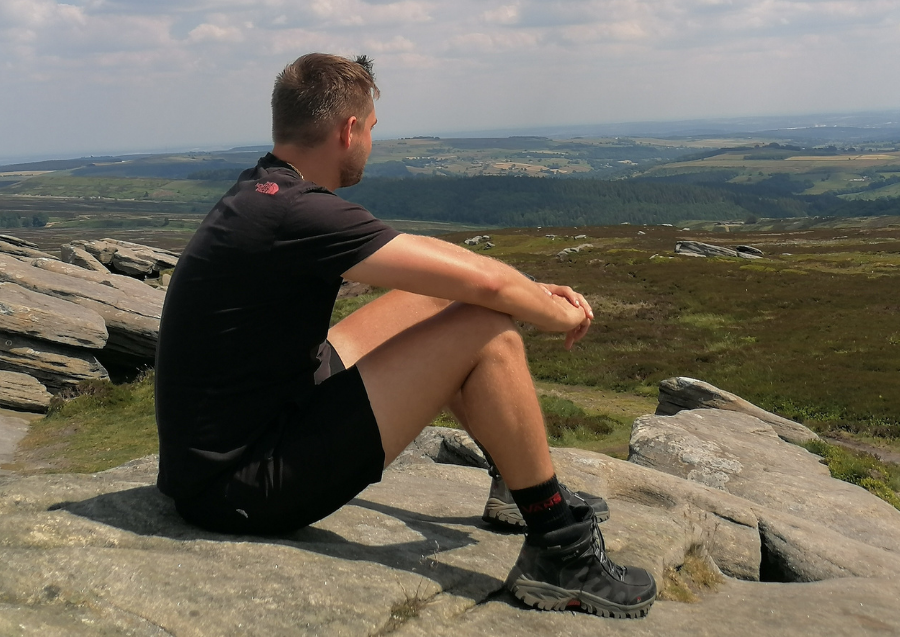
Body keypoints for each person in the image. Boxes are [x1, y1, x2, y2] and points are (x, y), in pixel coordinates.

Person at [154, 52, 656, 619]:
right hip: (240, 484)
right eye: (371, 128)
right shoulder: (296, 213)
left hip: (241, 435)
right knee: (487, 332)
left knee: (438, 300)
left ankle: (515, 483)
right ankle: (561, 549)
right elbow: (489, 285)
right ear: (348, 130)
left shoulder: (265, 193)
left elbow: (453, 277)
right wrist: (561, 316)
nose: (371, 141)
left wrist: (532, 290)